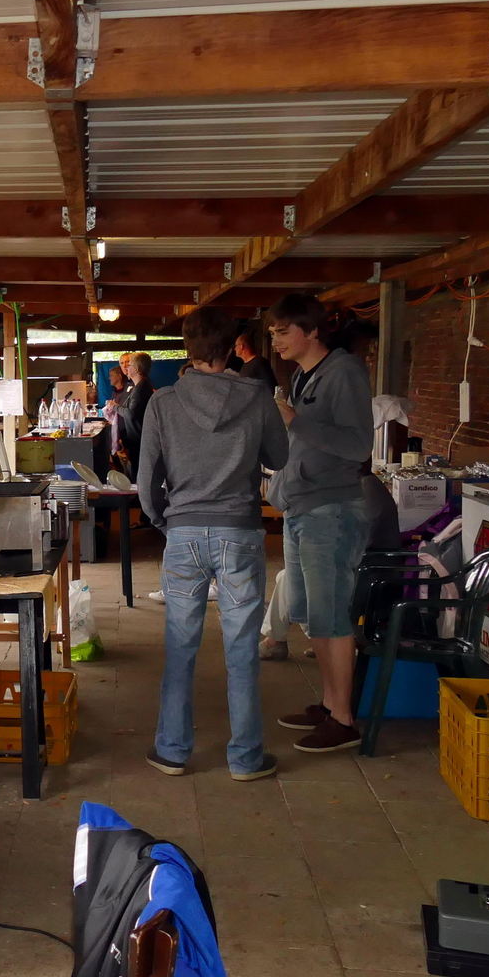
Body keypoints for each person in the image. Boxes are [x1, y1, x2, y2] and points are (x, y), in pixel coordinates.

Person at [136, 307, 288, 782]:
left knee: (180, 646)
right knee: (242, 647)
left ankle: (172, 751)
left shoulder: (163, 402)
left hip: (183, 532)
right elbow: (279, 456)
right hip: (239, 531)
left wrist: (164, 521)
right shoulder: (256, 395)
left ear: (188, 348)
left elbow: (147, 478)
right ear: (231, 347)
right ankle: (245, 758)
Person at [266, 293, 374, 753]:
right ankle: (331, 705)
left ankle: (344, 720)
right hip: (301, 506)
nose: (276, 341)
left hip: (331, 509)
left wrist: (294, 420)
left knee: (331, 615)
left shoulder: (344, 372)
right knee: (312, 613)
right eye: (272, 332)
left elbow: (358, 446)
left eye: (283, 331)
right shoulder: (302, 375)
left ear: (312, 331)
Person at [261, 465, 401, 660]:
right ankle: (309, 640)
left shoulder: (364, 492)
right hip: (364, 570)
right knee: (292, 578)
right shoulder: (363, 487)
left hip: (369, 576)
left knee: (291, 580)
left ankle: (282, 641)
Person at [116, 352, 155, 476]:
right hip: (136, 438)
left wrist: (115, 407)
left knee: (138, 473)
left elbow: (130, 414)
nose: (126, 368)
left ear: (137, 369)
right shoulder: (139, 386)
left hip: (139, 440)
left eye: (129, 364)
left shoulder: (141, 389)